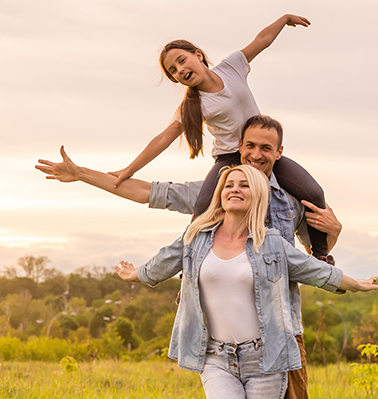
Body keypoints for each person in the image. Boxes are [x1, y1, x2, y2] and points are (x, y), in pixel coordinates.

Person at [36, 115, 342, 399]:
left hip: (281, 334)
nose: (257, 154)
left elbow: (318, 259)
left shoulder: (293, 204)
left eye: (267, 148)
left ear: (279, 153)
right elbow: (146, 191)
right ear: (239, 148)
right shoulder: (214, 193)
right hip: (222, 341)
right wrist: (81, 173)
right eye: (250, 146)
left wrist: (335, 230)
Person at [115, 164, 378, 399]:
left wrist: (355, 283)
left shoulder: (272, 243)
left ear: (258, 194)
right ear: (220, 194)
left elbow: (316, 271)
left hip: (266, 359)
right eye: (228, 184)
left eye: (243, 185)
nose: (234, 189)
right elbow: (163, 262)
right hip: (216, 358)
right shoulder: (197, 236)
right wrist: (136, 275)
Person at [108, 15, 334, 262]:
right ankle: (190, 274)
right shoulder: (193, 106)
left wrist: (285, 19)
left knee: (314, 193)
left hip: (261, 153)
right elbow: (164, 138)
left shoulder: (232, 66)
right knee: (203, 211)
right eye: (174, 71)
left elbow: (262, 40)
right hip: (230, 159)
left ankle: (321, 258)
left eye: (182, 61)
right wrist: (128, 169)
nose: (181, 70)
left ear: (198, 55)